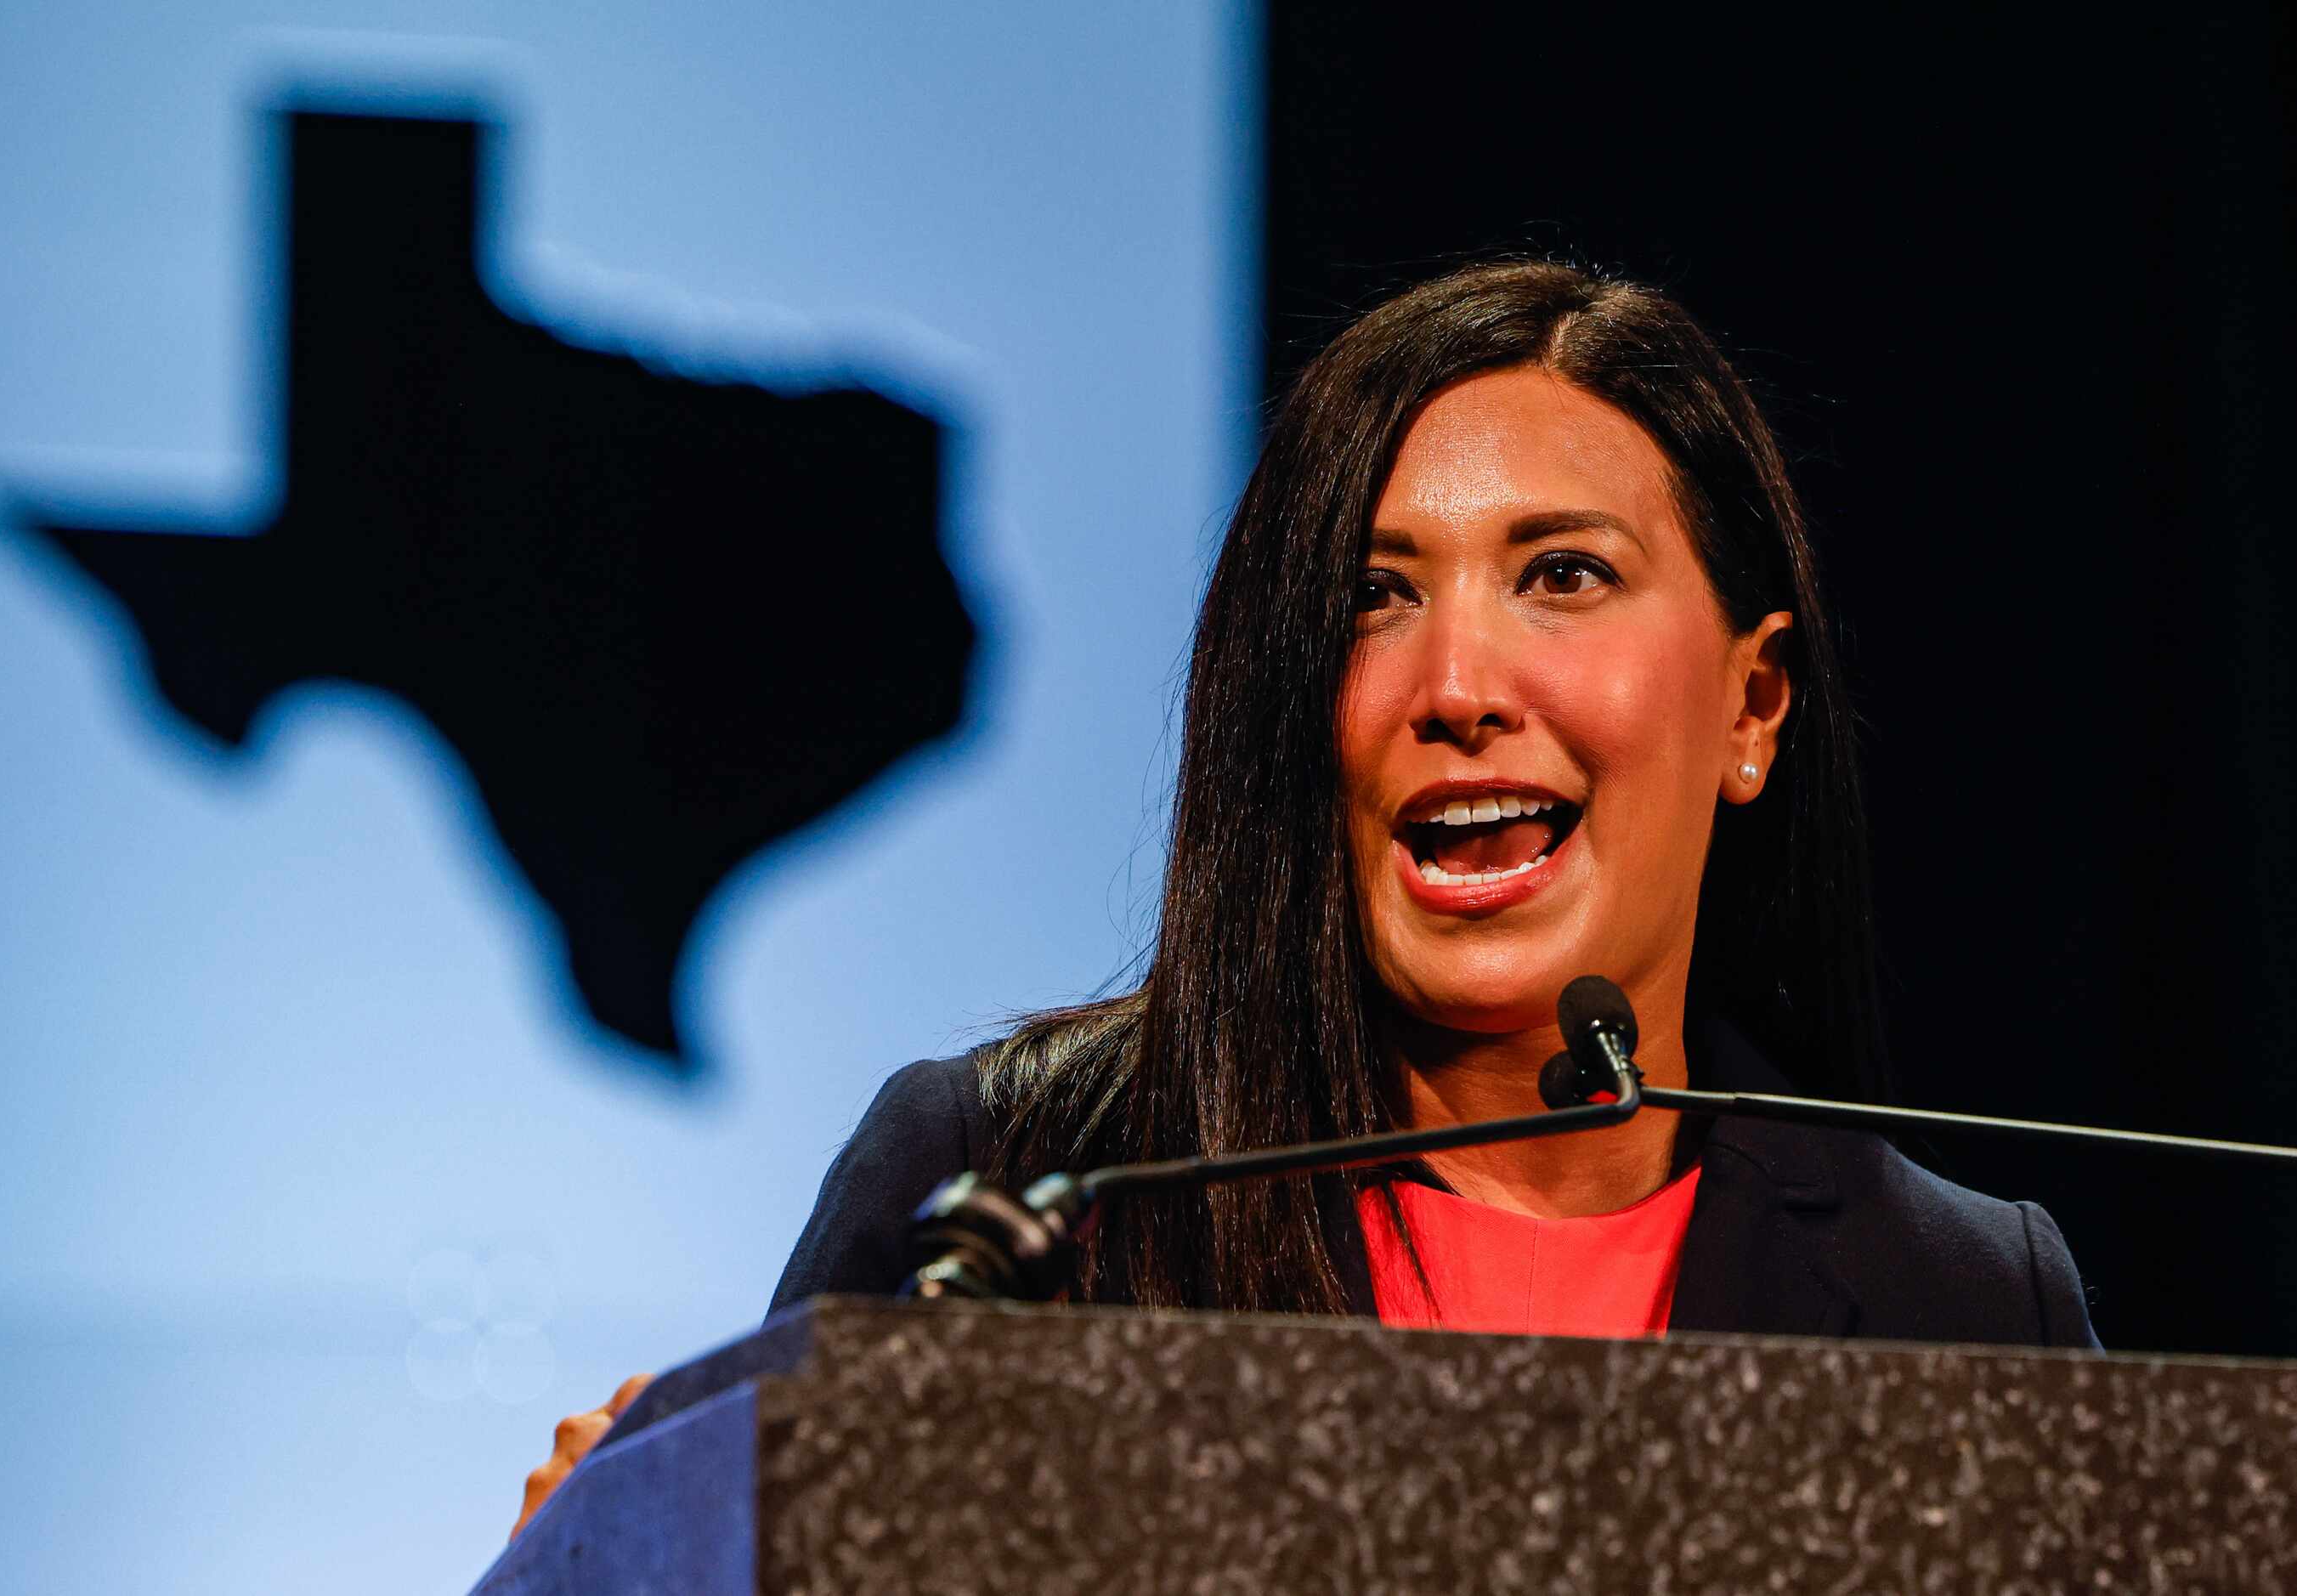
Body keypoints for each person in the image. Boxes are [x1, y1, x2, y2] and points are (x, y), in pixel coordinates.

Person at [512, 260, 2097, 1537]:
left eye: (1561, 574)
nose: (1456, 684)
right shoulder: (1017, 1201)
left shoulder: (1955, 1296)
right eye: (1370, 597)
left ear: (1752, 707)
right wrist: (620, 1548)